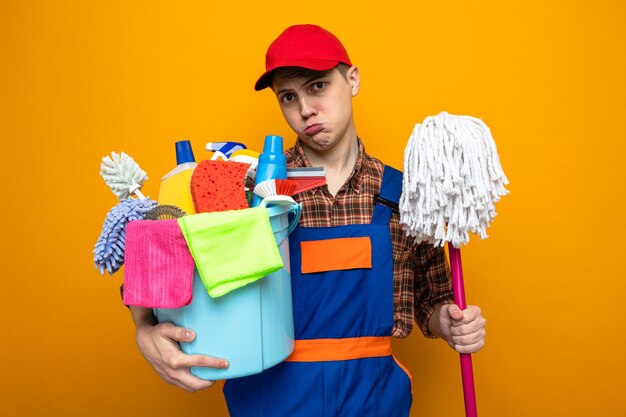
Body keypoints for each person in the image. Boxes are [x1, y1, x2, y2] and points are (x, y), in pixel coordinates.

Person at [129, 24, 486, 416]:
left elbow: (431, 298)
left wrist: (449, 322)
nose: (304, 109)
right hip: (271, 401)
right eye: (288, 96)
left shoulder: (404, 195)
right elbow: (164, 266)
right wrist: (144, 330)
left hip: (374, 402)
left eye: (317, 86)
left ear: (352, 79)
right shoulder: (253, 192)